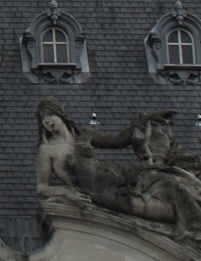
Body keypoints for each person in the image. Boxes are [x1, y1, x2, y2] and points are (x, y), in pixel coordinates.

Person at [36, 98, 201, 238]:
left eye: (51, 114)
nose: (48, 121)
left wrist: (147, 121)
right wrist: (67, 192)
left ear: (61, 114)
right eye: (44, 118)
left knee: (170, 180)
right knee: (173, 192)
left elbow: (117, 140)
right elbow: (42, 187)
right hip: (101, 193)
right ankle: (195, 231)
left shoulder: (83, 135)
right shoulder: (47, 150)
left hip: (119, 173)